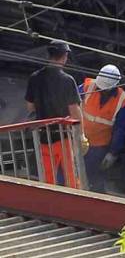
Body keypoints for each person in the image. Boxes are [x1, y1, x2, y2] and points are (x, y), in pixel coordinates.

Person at [24, 39, 83, 188]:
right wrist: (81, 135)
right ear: (64, 57)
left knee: (48, 179)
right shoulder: (68, 80)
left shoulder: (35, 78)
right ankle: (74, 204)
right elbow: (75, 111)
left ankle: (49, 206)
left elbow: (30, 106)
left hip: (43, 136)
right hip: (63, 137)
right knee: (71, 177)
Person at [79, 63, 125, 194]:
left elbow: (121, 130)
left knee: (92, 177)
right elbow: (69, 103)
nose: (101, 90)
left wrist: (113, 153)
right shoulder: (87, 87)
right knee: (70, 172)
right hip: (78, 139)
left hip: (98, 147)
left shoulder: (122, 100)